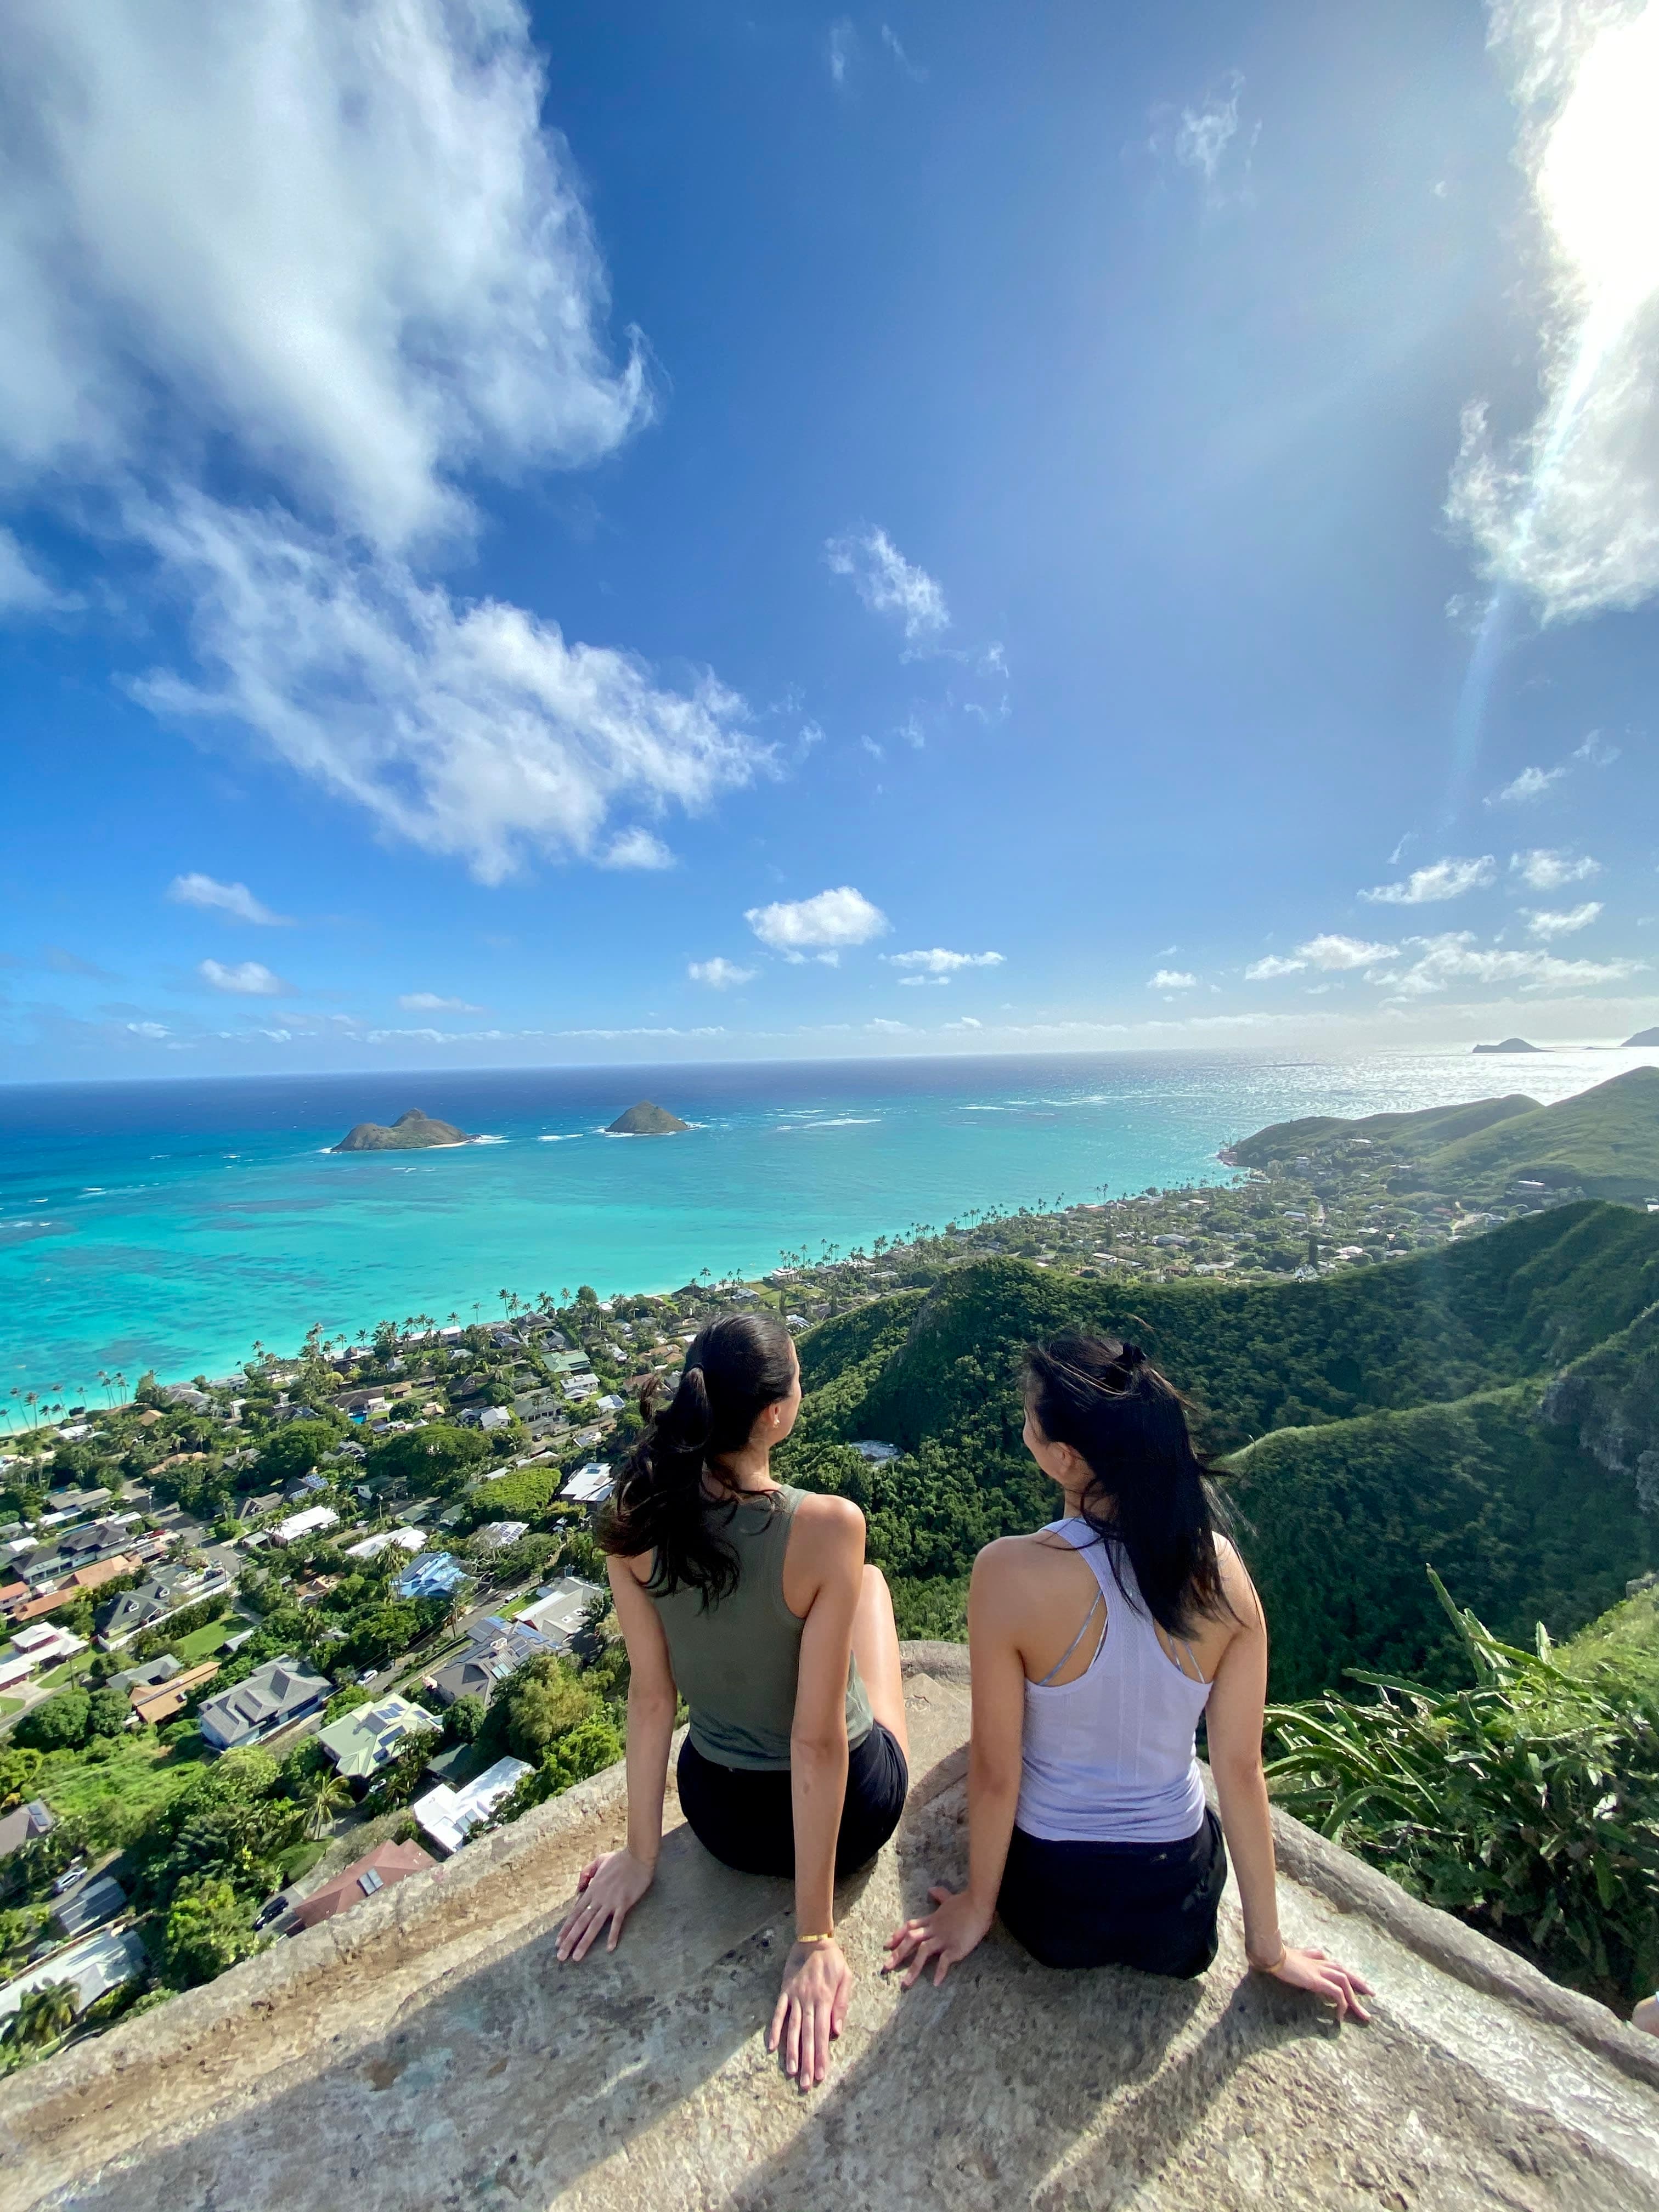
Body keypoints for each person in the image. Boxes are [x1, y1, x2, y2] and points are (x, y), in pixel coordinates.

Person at [885, 1330, 1371, 2021]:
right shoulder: (1222, 1574)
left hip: (1051, 1908)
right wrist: (1269, 1951)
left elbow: (996, 1772)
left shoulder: (1006, 1573)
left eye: (1028, 1420)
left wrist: (975, 1908)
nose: (1021, 1428)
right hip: (1177, 1918)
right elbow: (1239, 1772)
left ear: (1063, 1459)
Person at [556, 1309, 910, 2087]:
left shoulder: (636, 1517)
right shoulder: (827, 1525)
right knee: (873, 1592)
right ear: (776, 1413)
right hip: (847, 1819)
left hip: (720, 1816)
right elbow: (817, 1742)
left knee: (858, 1596)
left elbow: (652, 1701)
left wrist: (641, 1856)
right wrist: (813, 1936)